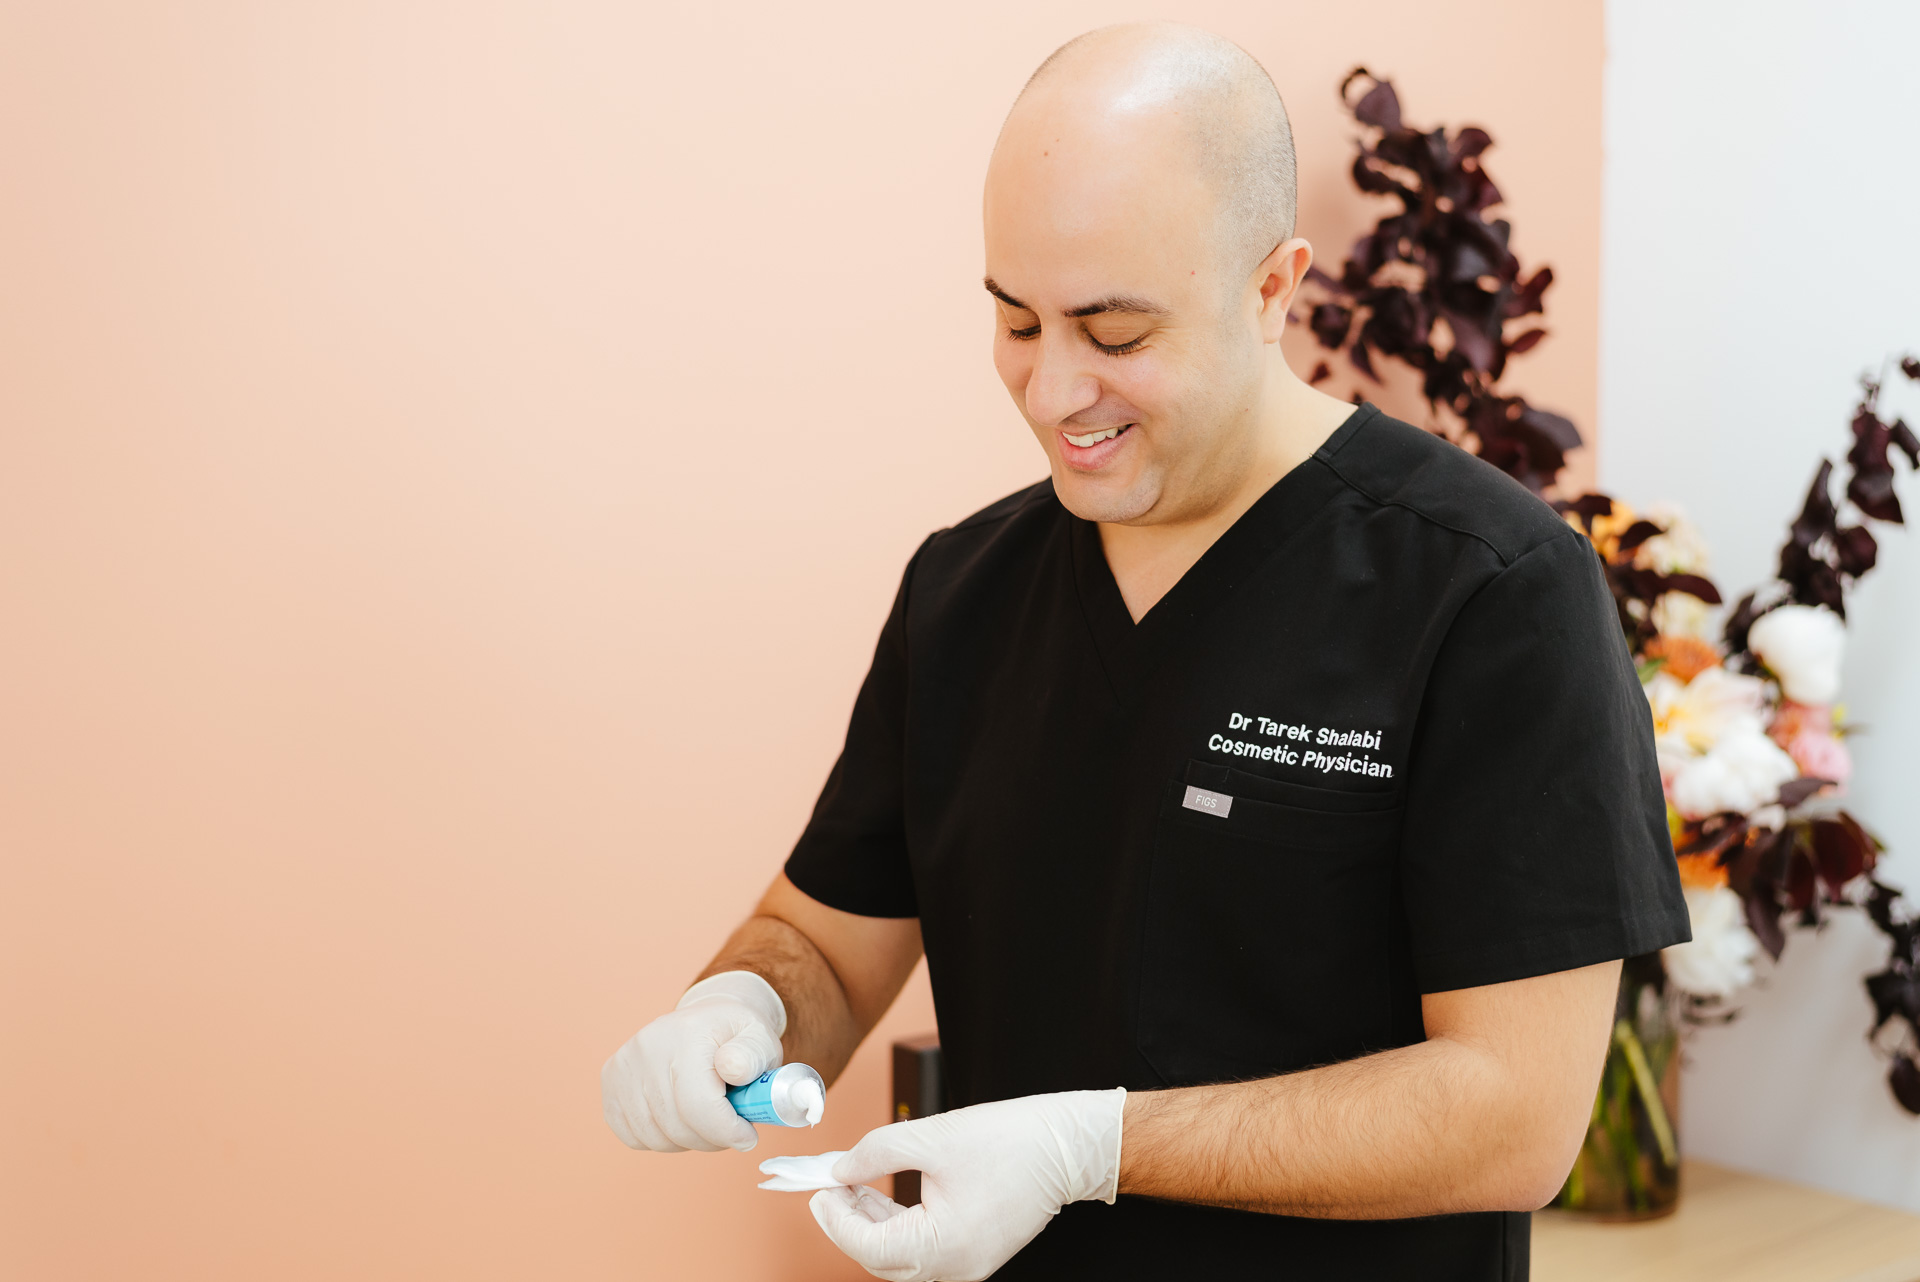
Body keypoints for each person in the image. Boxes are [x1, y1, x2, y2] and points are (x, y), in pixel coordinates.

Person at [601, 21, 1689, 1281]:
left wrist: (1094, 1146)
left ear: (1275, 287)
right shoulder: (962, 589)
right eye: (1016, 320)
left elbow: (1516, 1114)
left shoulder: (1490, 590)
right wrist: (739, 1007)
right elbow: (833, 939)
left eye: (1114, 334)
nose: (1053, 391)